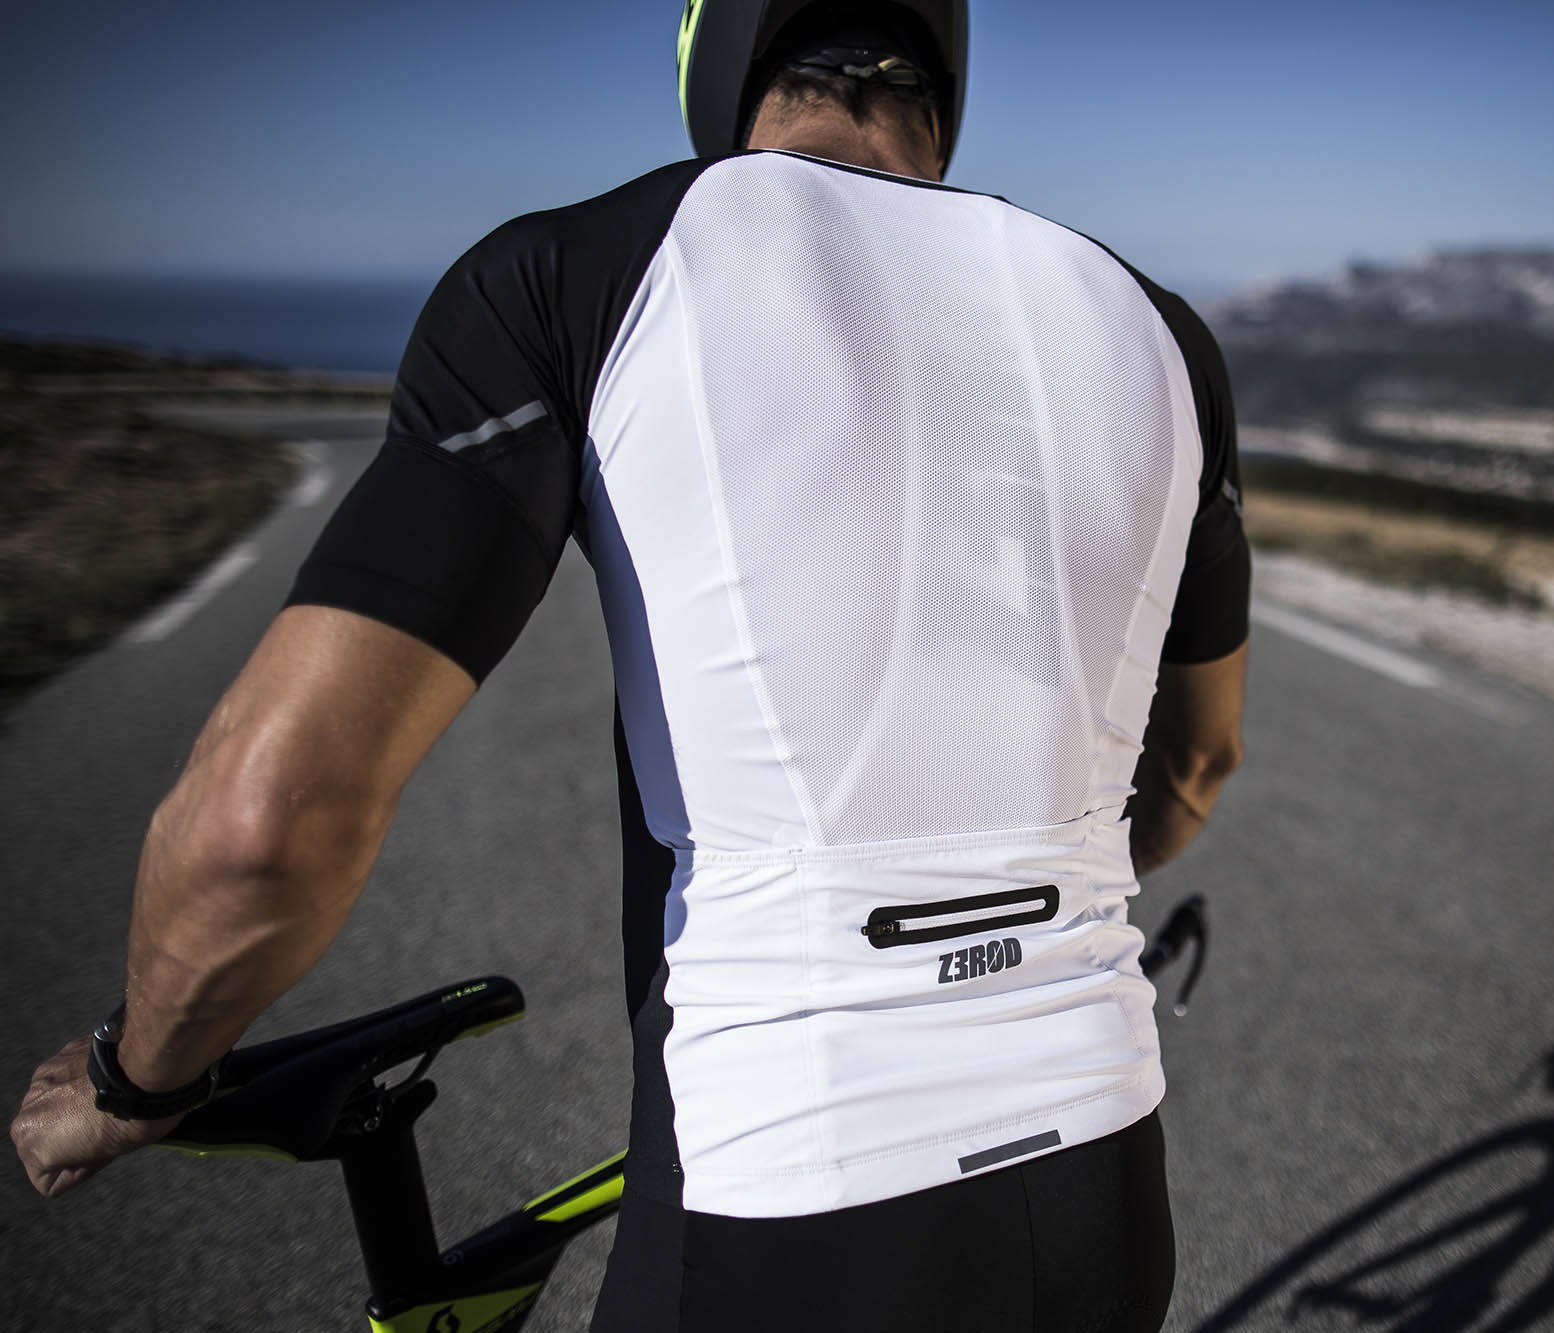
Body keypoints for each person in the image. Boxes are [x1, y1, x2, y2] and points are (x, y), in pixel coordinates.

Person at [11, 1, 1250, 1327]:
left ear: (717, 58)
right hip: (1103, 1172)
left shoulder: (579, 272)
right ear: (944, 88)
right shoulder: (1161, 330)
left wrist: (134, 1079)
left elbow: (262, 826)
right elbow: (1197, 764)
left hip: (787, 1191)